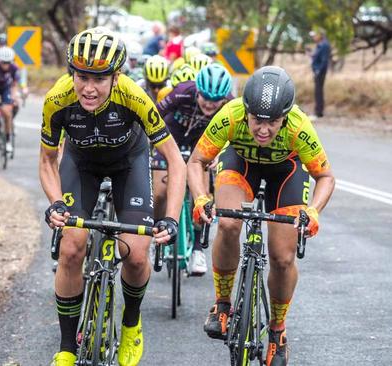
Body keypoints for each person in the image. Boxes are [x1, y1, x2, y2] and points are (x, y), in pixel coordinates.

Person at [40, 27, 186, 366]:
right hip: (81, 165)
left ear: (115, 77)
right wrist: (56, 202)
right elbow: (48, 161)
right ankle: (66, 347)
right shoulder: (57, 99)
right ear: (71, 73)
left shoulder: (133, 96)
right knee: (72, 247)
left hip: (128, 164)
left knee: (136, 255)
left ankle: (132, 324)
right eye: (82, 77)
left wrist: (171, 218)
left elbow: (176, 162)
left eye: (99, 79)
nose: (89, 88)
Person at [188, 66, 335, 366]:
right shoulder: (230, 114)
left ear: (286, 116)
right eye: (256, 120)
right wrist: (202, 197)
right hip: (241, 163)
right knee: (228, 223)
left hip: (286, 171)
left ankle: (277, 330)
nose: (263, 130)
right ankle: (222, 304)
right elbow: (197, 161)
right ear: (246, 111)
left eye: (273, 123)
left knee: (282, 257)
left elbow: (326, 177)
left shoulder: (299, 126)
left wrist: (313, 211)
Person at [154, 63, 233, 275]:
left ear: (224, 98)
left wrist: (221, 154)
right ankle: (158, 230)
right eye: (205, 98)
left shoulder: (230, 105)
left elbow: (234, 135)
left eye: (215, 101)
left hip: (202, 142)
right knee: (160, 193)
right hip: (173, 136)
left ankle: (198, 248)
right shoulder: (182, 92)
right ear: (197, 91)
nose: (209, 104)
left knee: (203, 194)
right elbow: (153, 115)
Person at [310, 29, 330, 118]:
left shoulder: (324, 45)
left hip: (320, 72)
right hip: (317, 71)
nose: (313, 37)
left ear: (320, 35)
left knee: (318, 91)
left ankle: (319, 112)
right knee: (317, 91)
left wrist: (318, 71)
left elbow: (324, 60)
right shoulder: (319, 45)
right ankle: (318, 111)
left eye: (315, 35)